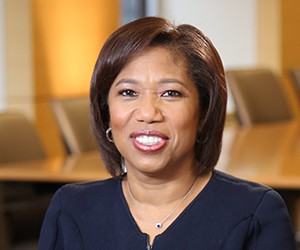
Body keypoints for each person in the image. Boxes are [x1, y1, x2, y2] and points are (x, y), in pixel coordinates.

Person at [38, 16, 296, 249]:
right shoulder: (70, 209)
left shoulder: (255, 213)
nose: (148, 113)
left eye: (171, 93)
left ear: (203, 110)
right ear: (106, 111)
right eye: (128, 93)